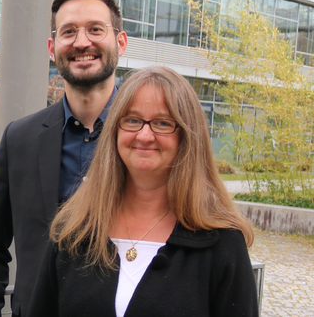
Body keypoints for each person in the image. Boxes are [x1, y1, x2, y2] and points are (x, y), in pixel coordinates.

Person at [28, 66, 258, 316]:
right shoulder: (74, 230)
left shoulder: (223, 243)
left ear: (187, 137)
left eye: (162, 123)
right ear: (115, 130)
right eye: (133, 120)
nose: (145, 135)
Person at [0, 0, 128, 317]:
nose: (82, 42)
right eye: (69, 32)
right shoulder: (20, 139)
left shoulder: (148, 137)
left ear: (121, 42)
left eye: (95, 29)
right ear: (52, 47)